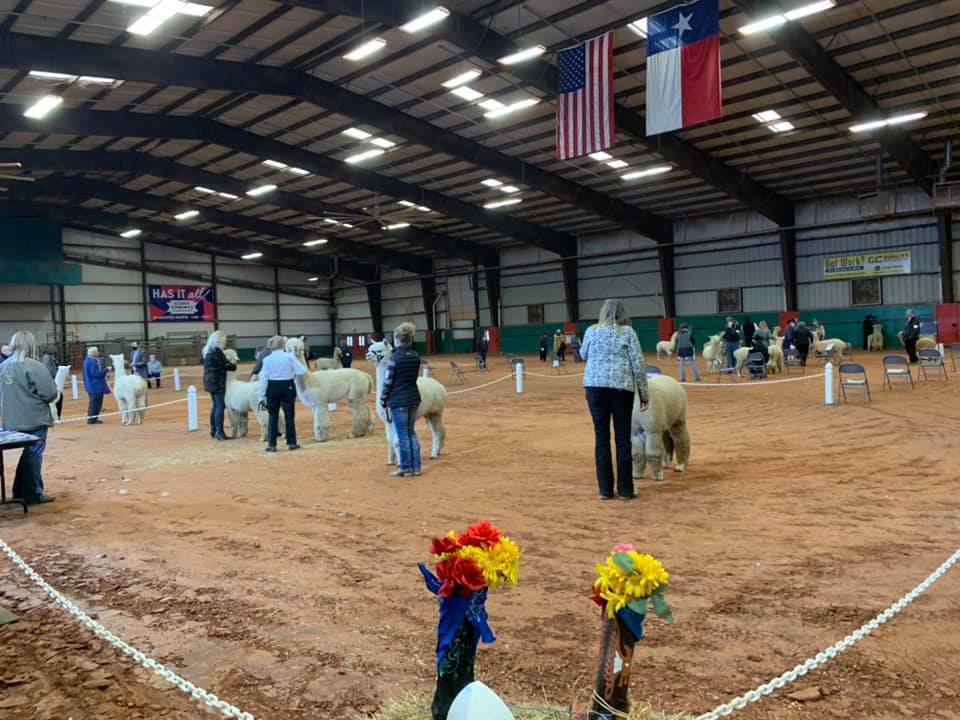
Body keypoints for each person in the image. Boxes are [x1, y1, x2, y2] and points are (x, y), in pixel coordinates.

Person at [580, 299, 648, 501]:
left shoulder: (591, 330)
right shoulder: (628, 332)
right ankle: (626, 490)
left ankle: (605, 490)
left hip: (594, 387)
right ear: (622, 313)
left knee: (601, 437)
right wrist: (644, 393)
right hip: (621, 389)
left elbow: (584, 354)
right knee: (622, 438)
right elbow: (638, 364)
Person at [0, 331, 59, 505]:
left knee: (28, 454)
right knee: (33, 455)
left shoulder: (3, 366)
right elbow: (50, 394)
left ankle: (20, 490)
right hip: (34, 418)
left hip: (11, 420)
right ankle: (32, 493)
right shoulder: (35, 366)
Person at [380, 322, 422, 477]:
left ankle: (405, 467)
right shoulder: (416, 356)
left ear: (397, 339)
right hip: (413, 398)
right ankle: (416, 467)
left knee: (402, 434)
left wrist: (383, 399)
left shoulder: (394, 358)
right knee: (411, 433)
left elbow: (388, 381)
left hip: (399, 401)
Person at [257, 335, 305, 453]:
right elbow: (302, 371)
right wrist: (291, 375)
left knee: (273, 416)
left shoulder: (266, 360)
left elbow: (264, 378)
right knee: (289, 415)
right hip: (288, 386)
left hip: (272, 387)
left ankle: (272, 445)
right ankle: (292, 442)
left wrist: (261, 396)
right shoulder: (290, 357)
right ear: (283, 344)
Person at [202, 330, 236, 441]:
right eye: (224, 340)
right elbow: (228, 366)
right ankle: (220, 432)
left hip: (210, 381)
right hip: (217, 382)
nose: (225, 343)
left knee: (216, 405)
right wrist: (233, 364)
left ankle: (213, 430)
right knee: (220, 406)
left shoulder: (207, 351)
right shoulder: (217, 351)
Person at [82, 346, 111, 424]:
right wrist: (106, 370)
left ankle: (93, 419)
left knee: (94, 403)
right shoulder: (92, 362)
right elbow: (96, 374)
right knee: (95, 404)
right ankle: (92, 420)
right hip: (95, 386)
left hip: (91, 386)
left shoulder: (87, 361)